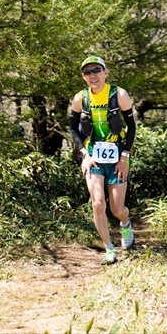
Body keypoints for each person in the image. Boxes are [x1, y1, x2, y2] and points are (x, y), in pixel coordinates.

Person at [69, 56, 136, 265]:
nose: (93, 75)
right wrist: (84, 153)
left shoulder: (119, 94)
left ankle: (125, 222)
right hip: (93, 156)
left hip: (118, 155)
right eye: (87, 72)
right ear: (83, 77)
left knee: (117, 210)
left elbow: (131, 127)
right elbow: (73, 128)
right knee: (98, 203)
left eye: (96, 70)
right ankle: (109, 249)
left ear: (105, 72)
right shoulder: (80, 98)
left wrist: (125, 156)